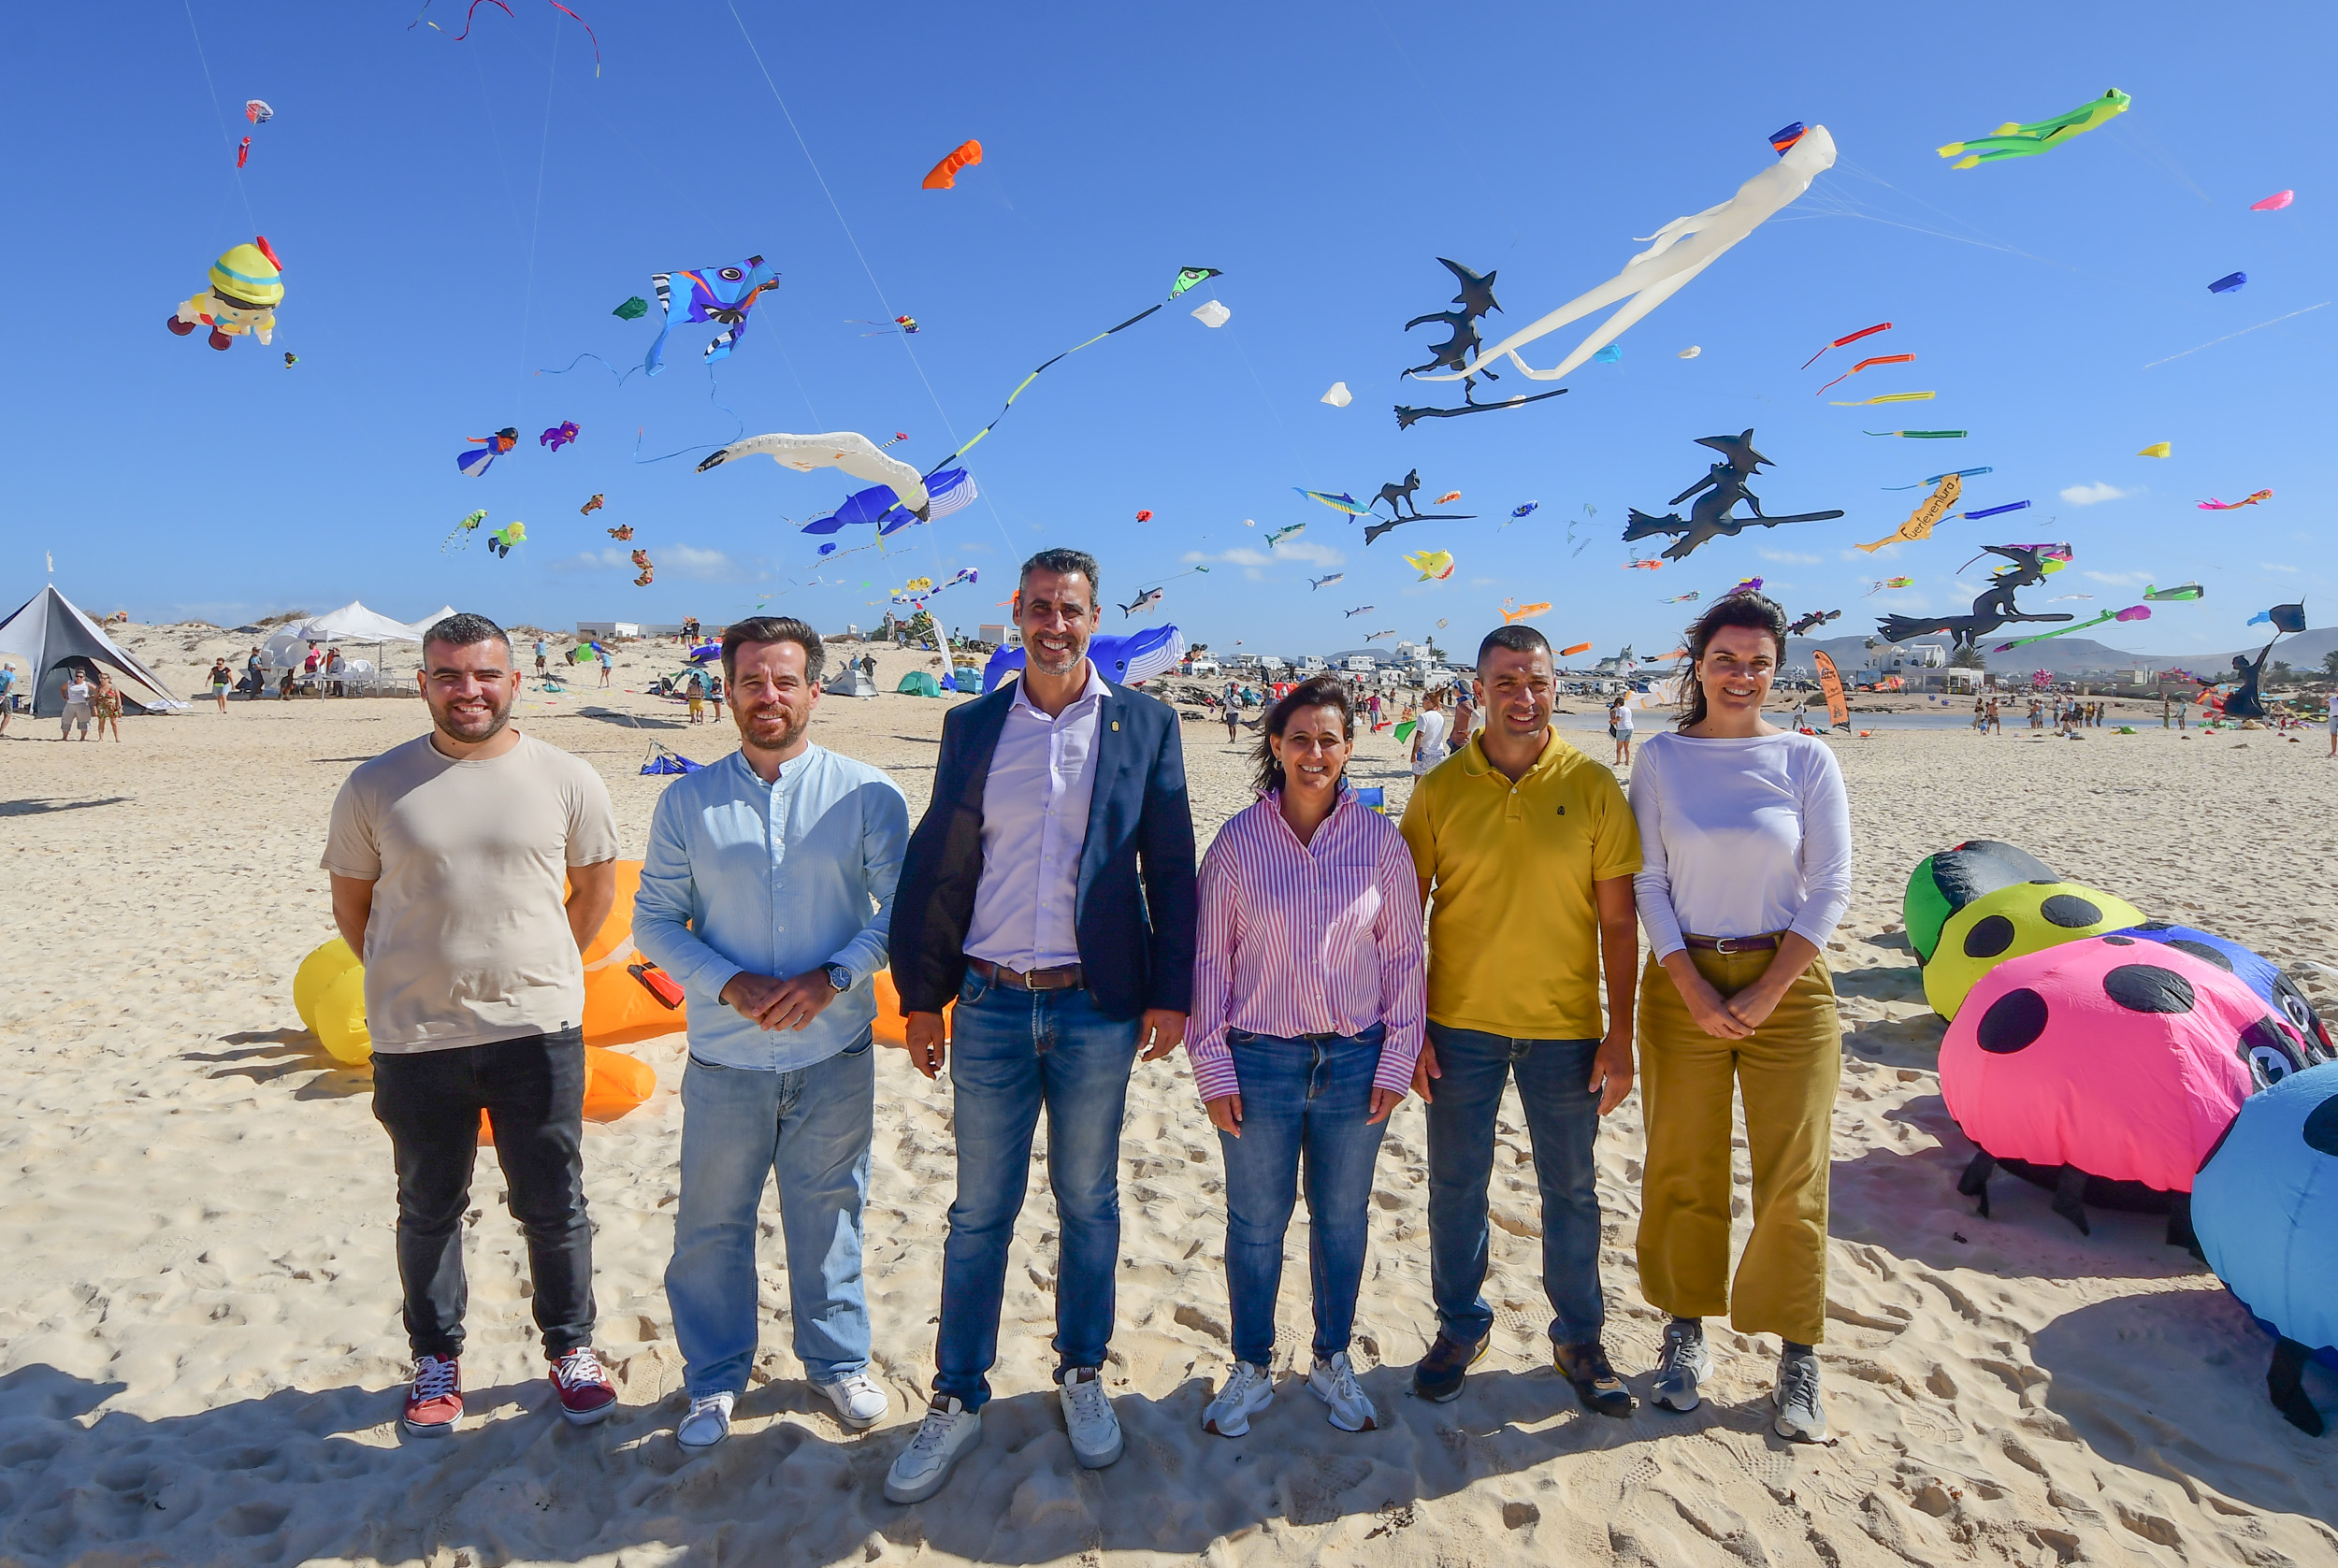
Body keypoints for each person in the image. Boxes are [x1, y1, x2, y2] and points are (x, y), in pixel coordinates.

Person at [882, 548, 1197, 1503]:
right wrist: (921, 996)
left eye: (1070, 610)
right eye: (1038, 609)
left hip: (1096, 1006)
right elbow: (942, 864)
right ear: (1015, 613)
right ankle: (956, 1395)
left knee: (1088, 1201)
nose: (1053, 624)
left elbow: (1171, 868)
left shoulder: (1144, 723)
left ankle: (1082, 1371)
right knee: (980, 1209)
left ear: (1093, 619)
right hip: (984, 1002)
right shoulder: (972, 724)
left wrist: (1170, 992)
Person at [321, 612, 622, 1439]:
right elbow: (355, 909)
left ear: (514, 681)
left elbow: (594, 892)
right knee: (428, 1204)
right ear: (423, 683)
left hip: (538, 1026)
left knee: (554, 1201)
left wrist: (539, 967)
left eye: (484, 674)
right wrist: (418, 968)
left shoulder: (567, 776)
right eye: (448, 675)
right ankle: (436, 1357)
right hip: (417, 1033)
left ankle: (571, 1348)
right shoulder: (374, 785)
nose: (468, 690)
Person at [634, 617, 910, 1452]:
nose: (768, 696)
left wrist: (832, 976)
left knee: (831, 1210)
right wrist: (728, 980)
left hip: (835, 1048)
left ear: (817, 689)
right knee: (712, 1221)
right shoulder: (687, 798)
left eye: (786, 680)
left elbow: (904, 910)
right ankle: (715, 1376)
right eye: (751, 680)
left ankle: (835, 1360)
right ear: (727, 689)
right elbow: (654, 921)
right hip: (726, 1053)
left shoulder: (868, 792)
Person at [1626, 593, 1853, 1443]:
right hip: (1682, 977)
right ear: (1698, 661)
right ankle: (1685, 1331)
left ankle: (1798, 1354)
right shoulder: (1661, 757)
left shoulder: (1806, 758)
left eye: (1758, 662)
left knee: (1792, 1173)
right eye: (1726, 658)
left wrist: (1765, 990)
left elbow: (1831, 884)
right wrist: (1689, 984)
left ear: (1775, 669)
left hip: (1789, 983)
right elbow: (1648, 880)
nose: (1742, 674)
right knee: (1682, 1162)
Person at [1398, 624, 1641, 1416]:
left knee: (1571, 1187)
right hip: (1457, 1027)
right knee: (1456, 1186)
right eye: (1505, 681)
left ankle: (1579, 1334)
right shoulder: (1438, 790)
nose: (1523, 696)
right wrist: (1412, 1026)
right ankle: (1461, 1325)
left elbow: (1617, 924)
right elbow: (1403, 917)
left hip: (1565, 1029)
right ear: (1479, 690)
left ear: (1556, 687)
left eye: (1535, 680)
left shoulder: (1596, 784)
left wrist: (1621, 1033)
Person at [1187, 677, 1424, 1439]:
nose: (1314, 753)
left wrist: (1396, 1060)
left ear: (1350, 748)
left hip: (1355, 1061)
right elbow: (1207, 965)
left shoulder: (1380, 841)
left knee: (1342, 1221)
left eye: (1328, 740)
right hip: (1259, 1062)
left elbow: (1405, 963)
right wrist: (1213, 1066)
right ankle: (1252, 1364)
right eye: (1300, 739)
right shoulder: (1236, 843)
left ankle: (1331, 1356)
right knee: (1255, 1221)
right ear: (1277, 748)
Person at [1409, 688, 1449, 777]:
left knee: (1419, 783)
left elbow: (1420, 736)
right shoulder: (1441, 717)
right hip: (1439, 754)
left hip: (1425, 754)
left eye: (1424, 699)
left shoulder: (1423, 717)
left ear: (1429, 702)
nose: (1422, 701)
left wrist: (1414, 753)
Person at [61, 668, 95, 741]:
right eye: (77, 676)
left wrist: (90, 697)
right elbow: (62, 688)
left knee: (84, 721)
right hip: (70, 704)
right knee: (66, 720)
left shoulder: (86, 684)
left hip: (82, 704)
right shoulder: (70, 683)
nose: (79, 678)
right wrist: (64, 696)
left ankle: (82, 738)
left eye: (81, 677)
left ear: (84, 677)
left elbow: (97, 690)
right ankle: (64, 737)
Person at [1610, 693, 1635, 767]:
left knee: (1619, 748)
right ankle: (1627, 761)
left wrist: (1612, 721)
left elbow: (1619, 718)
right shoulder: (1628, 709)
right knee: (1626, 747)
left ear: (1618, 704)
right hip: (1630, 727)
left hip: (1622, 728)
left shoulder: (1619, 709)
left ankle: (1618, 761)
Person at [0, 659, 15, 734]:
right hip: (5, 696)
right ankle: (1, 731)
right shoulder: (11, 675)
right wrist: (4, 695)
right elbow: (9, 685)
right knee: (7, 715)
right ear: (11, 668)